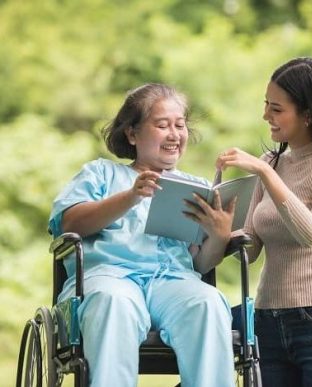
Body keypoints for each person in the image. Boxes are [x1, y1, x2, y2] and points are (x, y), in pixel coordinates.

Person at [48, 83, 237, 387]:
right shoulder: (101, 173)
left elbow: (201, 264)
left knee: (208, 302)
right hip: (110, 277)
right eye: (162, 125)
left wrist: (218, 234)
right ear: (132, 134)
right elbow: (70, 223)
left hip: (173, 282)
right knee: (114, 301)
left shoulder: (195, 186)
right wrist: (131, 196)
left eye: (180, 125)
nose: (174, 134)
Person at [216, 57, 312, 387]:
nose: (266, 115)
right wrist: (219, 226)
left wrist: (266, 173)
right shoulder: (272, 161)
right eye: (266, 105)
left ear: (308, 114)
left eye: (276, 108)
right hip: (267, 320)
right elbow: (251, 249)